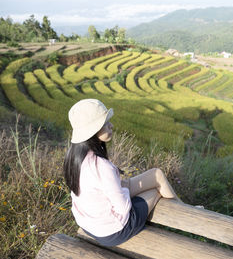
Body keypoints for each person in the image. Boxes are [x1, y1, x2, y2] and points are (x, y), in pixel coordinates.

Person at [63, 99, 180, 246]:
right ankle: (184, 217)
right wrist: (124, 188)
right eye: (105, 123)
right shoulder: (102, 166)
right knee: (157, 191)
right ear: (93, 130)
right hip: (114, 231)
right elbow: (123, 208)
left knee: (156, 174)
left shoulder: (73, 157)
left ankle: (184, 208)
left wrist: (121, 186)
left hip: (88, 224)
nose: (111, 125)